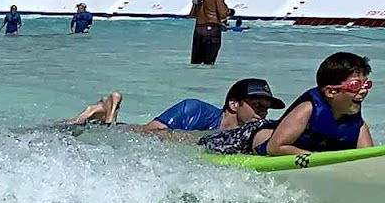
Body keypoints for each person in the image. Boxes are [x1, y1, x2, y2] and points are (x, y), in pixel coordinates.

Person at [250, 52, 372, 155]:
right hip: (250, 137)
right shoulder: (307, 110)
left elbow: (369, 159)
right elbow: (274, 148)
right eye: (355, 85)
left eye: (366, 84)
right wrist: (318, 159)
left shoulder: (359, 125)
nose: (363, 91)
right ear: (331, 92)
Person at [66, 78, 284, 134]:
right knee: (112, 131)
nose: (262, 111)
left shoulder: (250, 132)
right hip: (132, 134)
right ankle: (105, 117)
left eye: (266, 107)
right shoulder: (195, 110)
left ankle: (106, 112)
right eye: (257, 105)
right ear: (234, 104)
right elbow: (150, 133)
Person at [190, 0, 232, 66]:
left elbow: (192, 13)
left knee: (196, 63)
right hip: (212, 29)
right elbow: (222, 14)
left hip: (199, 28)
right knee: (208, 64)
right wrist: (228, 11)